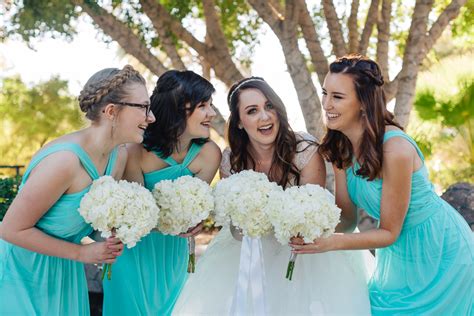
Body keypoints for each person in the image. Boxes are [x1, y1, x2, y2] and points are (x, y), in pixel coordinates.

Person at [173, 77, 374, 315]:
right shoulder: (231, 160)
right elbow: (236, 229)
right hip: (245, 253)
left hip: (302, 253)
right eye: (252, 111)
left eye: (269, 106)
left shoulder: (304, 150)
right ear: (239, 122)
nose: (265, 116)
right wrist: (247, 219)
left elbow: (310, 212)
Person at [291, 54, 474, 315]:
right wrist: (307, 227)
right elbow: (347, 219)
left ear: (364, 103)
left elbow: (389, 232)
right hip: (399, 257)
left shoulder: (395, 149)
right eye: (325, 93)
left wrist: (331, 242)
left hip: (441, 253)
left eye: (338, 97)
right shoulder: (340, 147)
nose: (327, 104)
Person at [0, 65, 155, 315]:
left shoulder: (118, 157)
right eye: (144, 107)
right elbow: (10, 229)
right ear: (112, 111)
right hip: (21, 274)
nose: (151, 117)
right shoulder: (65, 161)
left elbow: (89, 225)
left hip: (64, 275)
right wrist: (81, 252)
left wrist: (120, 229)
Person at [102, 70, 221, 316]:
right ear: (177, 109)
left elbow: (196, 208)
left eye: (211, 105)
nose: (212, 113)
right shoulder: (135, 150)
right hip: (132, 256)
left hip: (175, 258)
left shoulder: (209, 154)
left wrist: (195, 220)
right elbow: (136, 217)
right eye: (202, 105)